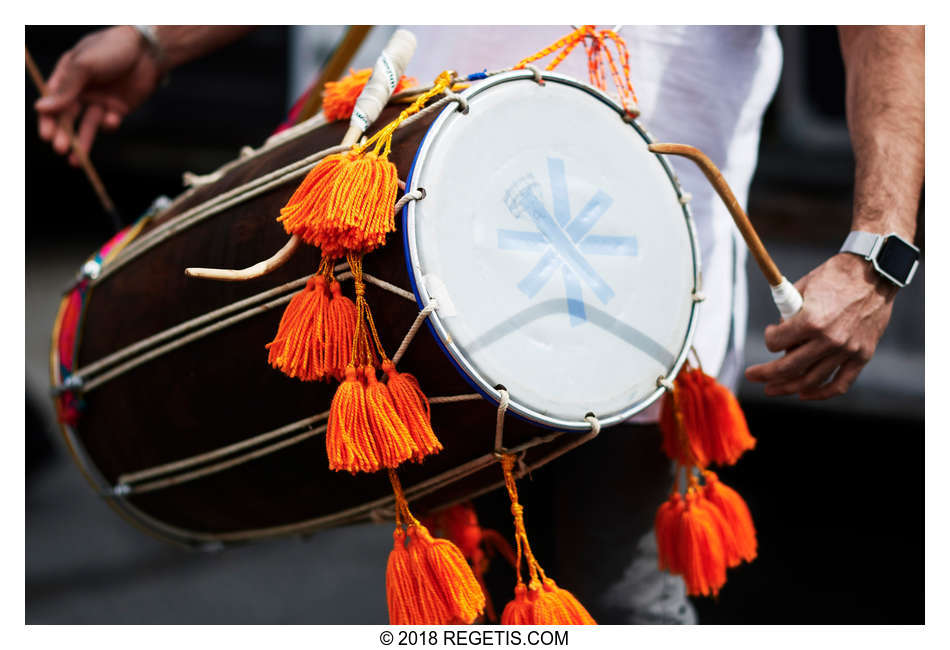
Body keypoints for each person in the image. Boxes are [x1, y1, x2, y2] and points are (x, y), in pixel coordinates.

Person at [33, 25, 924, 623]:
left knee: (608, 609)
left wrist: (878, 250)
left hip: (615, 314)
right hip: (393, 275)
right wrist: (157, 37)